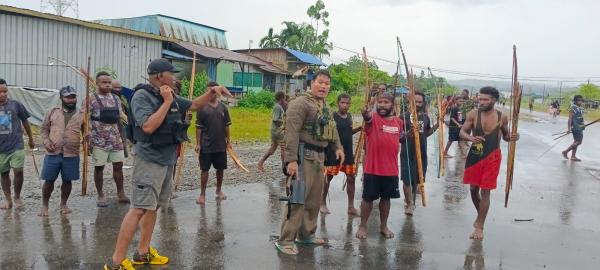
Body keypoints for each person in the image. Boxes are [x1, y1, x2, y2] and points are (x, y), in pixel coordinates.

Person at [105, 58, 232, 269]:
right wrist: (165, 102)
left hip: (167, 159)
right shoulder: (142, 96)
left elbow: (194, 105)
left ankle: (142, 253)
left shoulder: (169, 95)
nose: (175, 77)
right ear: (159, 76)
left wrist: (212, 92)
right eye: (171, 73)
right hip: (149, 160)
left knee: (153, 207)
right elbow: (148, 127)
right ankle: (116, 261)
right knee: (138, 208)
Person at [275, 70, 344, 255]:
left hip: (319, 158)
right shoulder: (300, 103)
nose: (323, 86)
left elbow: (332, 128)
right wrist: (291, 160)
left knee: (313, 201)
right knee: (297, 199)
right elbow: (291, 133)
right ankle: (286, 240)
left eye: (327, 83)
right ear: (311, 83)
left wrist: (338, 147)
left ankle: (306, 235)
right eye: (320, 82)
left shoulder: (324, 106)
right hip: (303, 156)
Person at [460, 86, 519, 240]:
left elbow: (506, 137)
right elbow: (462, 132)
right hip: (475, 155)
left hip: (493, 157)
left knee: (485, 191)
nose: (481, 102)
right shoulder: (473, 114)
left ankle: (479, 226)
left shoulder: (502, 117)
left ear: (494, 100)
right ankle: (481, 215)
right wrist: (470, 138)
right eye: (480, 99)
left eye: (485, 99)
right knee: (473, 190)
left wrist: (513, 137)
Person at [355, 92, 403, 240]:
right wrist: (365, 114)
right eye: (380, 102)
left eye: (385, 102)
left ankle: (383, 226)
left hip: (391, 170)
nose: (382, 105)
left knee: (386, 199)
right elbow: (367, 119)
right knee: (367, 199)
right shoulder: (373, 119)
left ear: (392, 105)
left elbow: (399, 138)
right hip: (372, 169)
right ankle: (363, 226)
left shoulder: (398, 122)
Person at [38, 86, 84, 216]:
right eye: (67, 97)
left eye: (73, 97)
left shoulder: (82, 115)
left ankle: (63, 204)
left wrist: (87, 138)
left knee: (67, 180)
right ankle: (45, 205)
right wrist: (46, 142)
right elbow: (44, 129)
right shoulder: (52, 112)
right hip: (53, 152)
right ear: (61, 98)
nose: (71, 100)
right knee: (49, 180)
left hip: (72, 153)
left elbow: (87, 132)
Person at [90, 72, 129, 207]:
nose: (107, 85)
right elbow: (83, 119)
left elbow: (120, 117)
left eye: (109, 82)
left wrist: (124, 137)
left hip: (115, 139)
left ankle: (121, 193)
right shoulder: (91, 100)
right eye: (104, 82)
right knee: (99, 168)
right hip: (98, 140)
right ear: (97, 83)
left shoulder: (116, 99)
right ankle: (100, 194)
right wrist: (85, 138)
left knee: (118, 166)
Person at [320, 93, 362, 216]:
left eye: (347, 103)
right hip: (334, 153)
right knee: (328, 178)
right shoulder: (332, 117)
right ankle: (322, 203)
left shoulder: (349, 116)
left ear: (350, 104)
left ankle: (351, 207)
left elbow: (348, 133)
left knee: (351, 178)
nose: (344, 105)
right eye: (342, 103)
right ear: (338, 103)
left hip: (348, 154)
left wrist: (359, 129)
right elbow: (327, 136)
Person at [400, 91, 438, 215]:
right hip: (407, 153)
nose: (417, 104)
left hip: (421, 153)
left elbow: (426, 134)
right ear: (410, 102)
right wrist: (408, 134)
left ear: (423, 103)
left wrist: (438, 124)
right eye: (415, 101)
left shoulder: (425, 117)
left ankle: (411, 200)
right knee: (407, 179)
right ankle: (409, 204)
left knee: (417, 180)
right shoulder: (403, 116)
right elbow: (398, 137)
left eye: (420, 102)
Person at [194, 81, 231, 205]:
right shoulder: (201, 108)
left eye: (214, 91)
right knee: (204, 170)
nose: (212, 93)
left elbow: (227, 126)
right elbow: (198, 128)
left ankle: (219, 190)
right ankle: (202, 194)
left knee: (220, 169)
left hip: (220, 144)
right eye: (209, 90)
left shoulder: (223, 107)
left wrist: (228, 141)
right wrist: (198, 144)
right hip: (206, 145)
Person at [0, 79, 34, 209]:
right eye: (0, 92)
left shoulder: (16, 105)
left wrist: (31, 139)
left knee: (18, 171)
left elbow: (25, 122)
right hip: (1, 149)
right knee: (4, 173)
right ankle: (8, 200)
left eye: (5, 91)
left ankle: (17, 196)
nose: (3, 94)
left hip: (16, 145)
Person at [257, 91, 287, 173]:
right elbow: (275, 119)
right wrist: (285, 121)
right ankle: (284, 168)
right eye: (284, 98)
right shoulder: (277, 107)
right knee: (284, 149)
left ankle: (260, 162)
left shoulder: (278, 106)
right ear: (282, 98)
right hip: (278, 131)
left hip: (275, 131)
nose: (285, 99)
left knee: (272, 149)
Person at [562, 95, 585, 162]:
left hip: (580, 127)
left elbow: (579, 118)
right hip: (576, 127)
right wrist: (568, 129)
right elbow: (570, 119)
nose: (580, 101)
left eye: (581, 100)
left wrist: (583, 125)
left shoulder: (579, 108)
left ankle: (573, 156)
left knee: (576, 141)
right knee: (579, 142)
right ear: (575, 101)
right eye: (578, 100)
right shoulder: (573, 108)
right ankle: (565, 152)